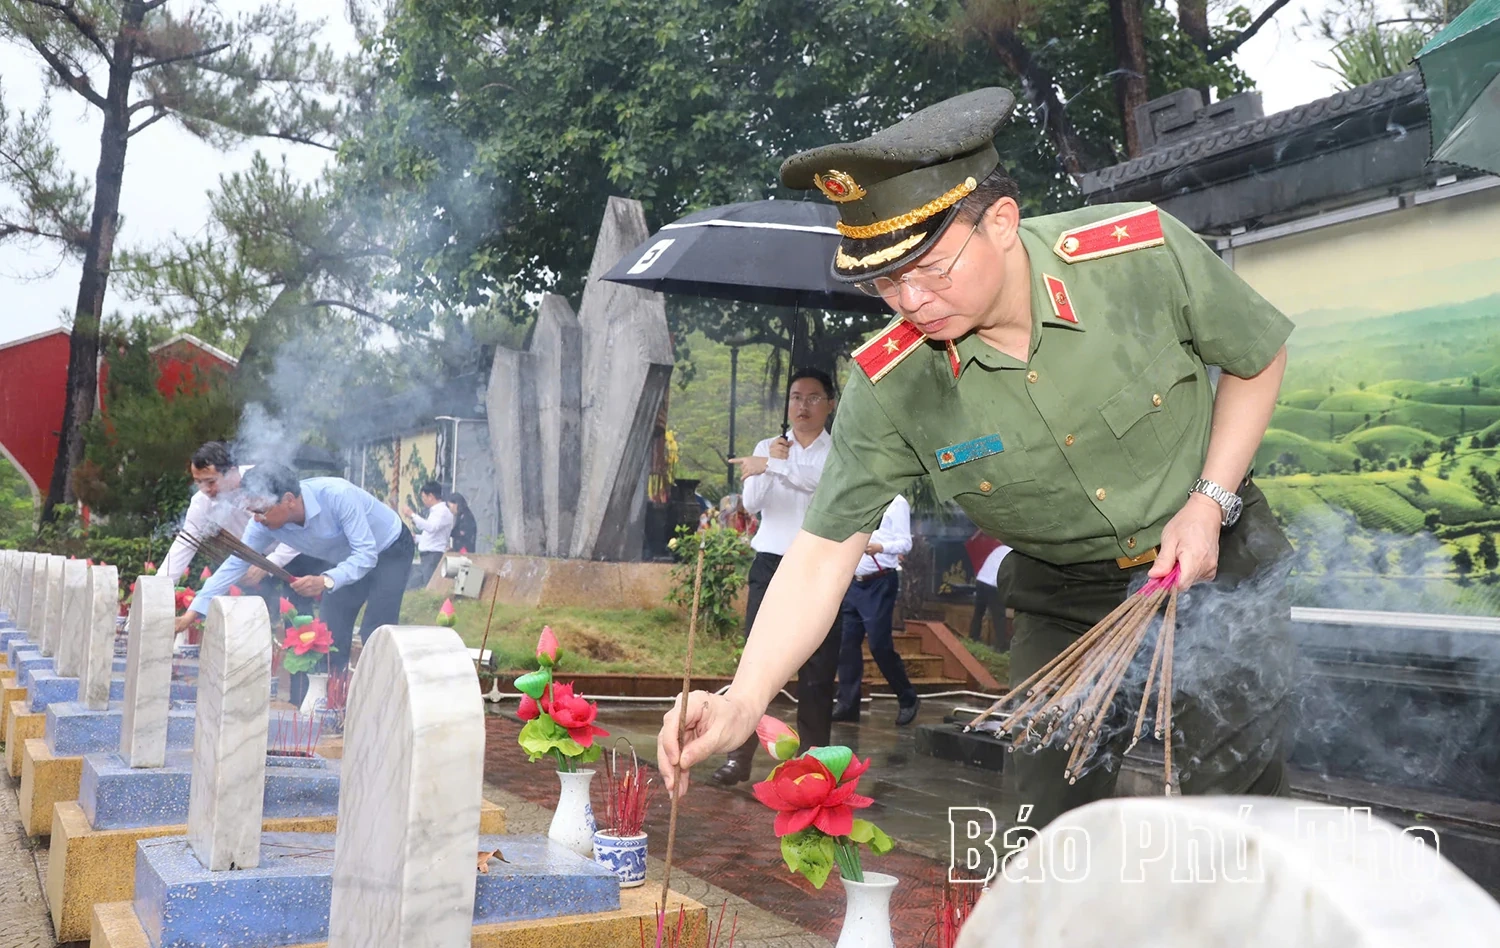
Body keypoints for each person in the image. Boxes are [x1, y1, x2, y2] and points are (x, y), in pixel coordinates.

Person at [659, 87, 1297, 833]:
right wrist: (742, 699)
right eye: (886, 281)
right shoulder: (891, 383)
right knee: (1043, 832)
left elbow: (1257, 356)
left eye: (931, 268)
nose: (911, 300)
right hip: (1067, 600)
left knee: (1242, 821)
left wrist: (1209, 501)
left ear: (1000, 220)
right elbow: (824, 553)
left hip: (1217, 554)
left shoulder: (1138, 255)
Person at [710, 368, 840, 786]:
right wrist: (770, 465)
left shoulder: (837, 451)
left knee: (818, 671)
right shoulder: (770, 447)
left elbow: (823, 486)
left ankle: (814, 766)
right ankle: (738, 755)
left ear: (830, 404)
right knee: (755, 660)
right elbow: (753, 502)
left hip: (820, 568)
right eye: (796, 397)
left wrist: (775, 467)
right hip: (770, 562)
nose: (803, 406)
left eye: (813, 398)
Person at [178, 464, 417, 677]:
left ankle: (385, 698)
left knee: (376, 628)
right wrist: (191, 614)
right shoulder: (263, 523)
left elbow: (366, 554)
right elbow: (234, 564)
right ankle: (331, 702)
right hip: (345, 560)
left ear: (289, 499)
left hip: (389, 549)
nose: (257, 520)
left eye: (261, 511)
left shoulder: (337, 495)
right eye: (252, 512)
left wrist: (325, 580)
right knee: (330, 633)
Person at [159, 442, 323, 646]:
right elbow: (184, 546)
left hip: (291, 553)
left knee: (298, 617)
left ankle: (304, 672)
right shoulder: (201, 502)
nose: (205, 490)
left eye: (210, 482)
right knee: (251, 622)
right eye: (198, 482)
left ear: (232, 472)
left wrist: (270, 563)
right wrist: (156, 591)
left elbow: (299, 523)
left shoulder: (263, 481)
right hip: (246, 560)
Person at [832, 492, 919, 725]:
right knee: (846, 644)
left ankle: (907, 698)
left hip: (879, 582)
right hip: (852, 582)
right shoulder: (857, 497)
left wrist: (880, 547)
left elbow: (905, 543)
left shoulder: (897, 502)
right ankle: (847, 704)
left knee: (879, 646)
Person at [967, 530, 1013, 647]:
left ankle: (973, 637)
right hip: (992, 584)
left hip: (981, 580)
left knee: (979, 612)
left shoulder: (1000, 549)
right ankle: (1001, 646)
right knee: (999, 616)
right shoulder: (1011, 554)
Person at [405, 481, 455, 589]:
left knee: (431, 586)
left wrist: (412, 515)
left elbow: (431, 528)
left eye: (423, 497)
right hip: (428, 555)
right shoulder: (435, 512)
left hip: (433, 555)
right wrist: (416, 538)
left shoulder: (442, 511)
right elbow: (431, 534)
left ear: (431, 496)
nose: (423, 500)